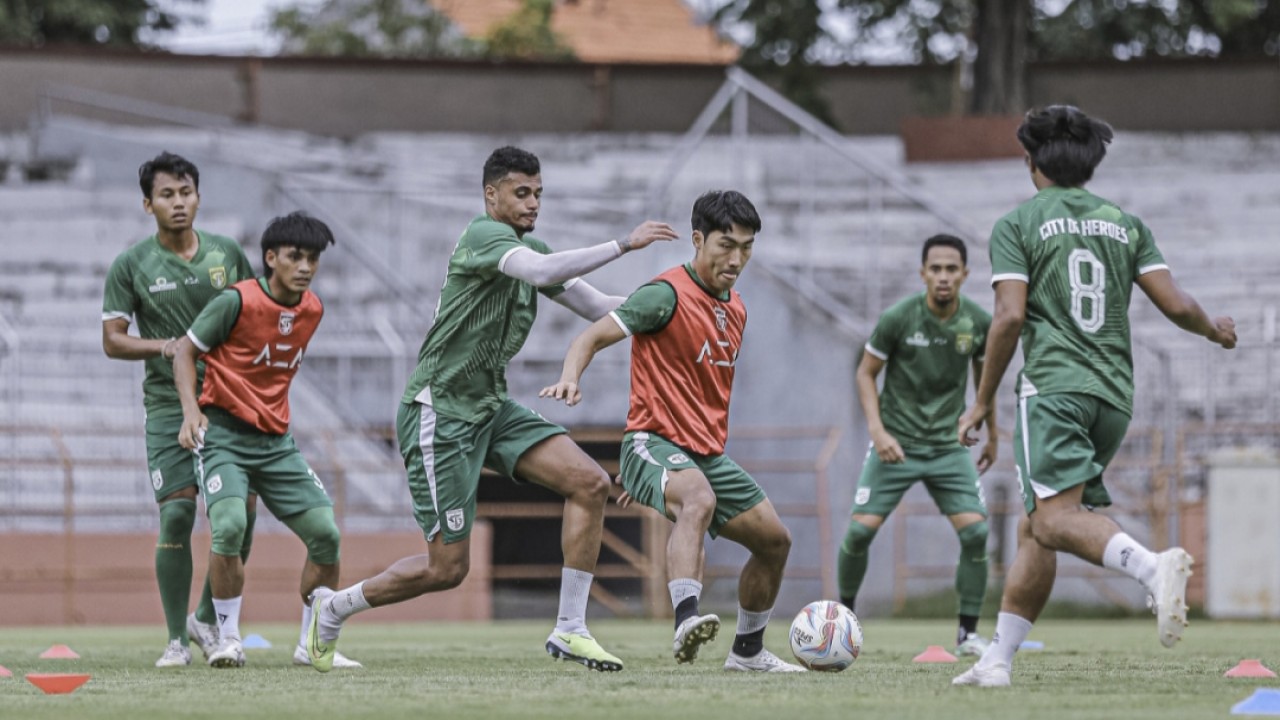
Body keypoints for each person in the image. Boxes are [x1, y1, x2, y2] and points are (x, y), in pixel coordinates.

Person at [304, 146, 678, 674]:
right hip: (440, 413)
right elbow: (541, 268)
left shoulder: (533, 250)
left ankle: (570, 629)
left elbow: (602, 309)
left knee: (589, 483)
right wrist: (624, 243)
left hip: (489, 405)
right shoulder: (484, 238)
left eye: (538, 194)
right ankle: (333, 606)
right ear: (491, 194)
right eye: (522, 193)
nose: (532, 204)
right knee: (448, 568)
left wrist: (676, 304)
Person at [952, 106, 1236, 688]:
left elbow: (1007, 318)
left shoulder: (1018, 224)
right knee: (1037, 525)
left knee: (1054, 520)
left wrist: (981, 401)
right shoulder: (1126, 224)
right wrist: (1214, 329)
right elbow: (1178, 305)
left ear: (1029, 162)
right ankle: (997, 661)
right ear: (1091, 164)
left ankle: (1150, 567)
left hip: (1055, 388)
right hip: (1112, 396)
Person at [541, 189, 805, 673]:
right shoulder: (664, 295)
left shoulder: (737, 309)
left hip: (704, 457)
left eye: (747, 247)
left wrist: (659, 485)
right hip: (653, 442)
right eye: (726, 244)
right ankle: (687, 617)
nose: (737, 257)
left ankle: (747, 652)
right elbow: (591, 334)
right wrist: (570, 377)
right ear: (698, 239)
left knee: (775, 541)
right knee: (698, 499)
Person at [172, 211, 355, 670]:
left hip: (275, 442)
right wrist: (191, 411)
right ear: (270, 257)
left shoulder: (312, 309)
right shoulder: (236, 301)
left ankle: (312, 642)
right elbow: (185, 351)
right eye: (295, 256)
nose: (306, 266)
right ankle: (227, 638)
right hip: (223, 436)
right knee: (230, 525)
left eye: (313, 258)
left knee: (326, 535)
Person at [102, 151, 261, 668]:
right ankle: (176, 640)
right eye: (166, 195)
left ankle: (207, 617)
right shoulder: (131, 265)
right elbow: (112, 340)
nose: (178, 203)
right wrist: (166, 346)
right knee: (177, 513)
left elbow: (252, 315)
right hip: (169, 405)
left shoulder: (227, 253)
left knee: (244, 512)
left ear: (198, 196)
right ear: (147, 204)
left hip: (230, 402)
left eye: (186, 192)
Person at [837, 234, 996, 657]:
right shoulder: (898, 318)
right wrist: (877, 431)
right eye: (936, 269)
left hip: (948, 447)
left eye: (951, 269)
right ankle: (843, 623)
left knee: (977, 534)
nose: (943, 277)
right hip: (897, 445)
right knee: (857, 533)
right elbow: (865, 374)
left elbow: (985, 384)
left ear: (965, 274)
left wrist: (992, 433)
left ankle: (967, 635)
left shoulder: (978, 322)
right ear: (923, 273)